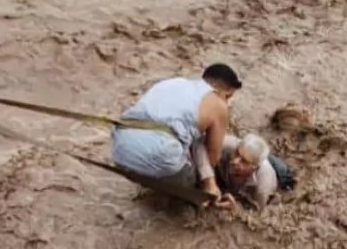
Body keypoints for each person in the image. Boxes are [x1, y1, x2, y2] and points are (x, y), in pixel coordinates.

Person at [111, 63, 242, 205]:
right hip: (160, 153)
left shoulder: (172, 82)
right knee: (196, 178)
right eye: (228, 96)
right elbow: (212, 159)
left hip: (120, 150)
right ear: (222, 90)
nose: (227, 102)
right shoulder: (218, 103)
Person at [209, 132, 295, 211]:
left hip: (279, 173)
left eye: (244, 161)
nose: (235, 161)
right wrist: (209, 181)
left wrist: (237, 210)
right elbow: (199, 145)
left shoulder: (263, 186)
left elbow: (258, 213)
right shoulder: (226, 145)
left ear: (254, 168)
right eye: (237, 153)